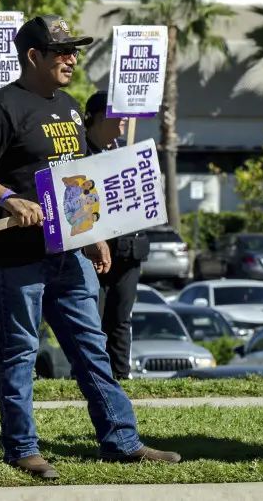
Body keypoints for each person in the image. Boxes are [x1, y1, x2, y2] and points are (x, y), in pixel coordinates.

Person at [0, 15, 179, 480]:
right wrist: (8, 198)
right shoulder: (2, 107)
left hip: (69, 253)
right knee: (19, 350)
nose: (71, 58)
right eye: (61, 51)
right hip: (17, 257)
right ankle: (23, 449)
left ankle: (121, 441)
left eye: (73, 51)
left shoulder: (73, 107)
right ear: (33, 56)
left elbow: (78, 182)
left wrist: (94, 236)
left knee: (91, 347)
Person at [83, 91, 151, 381]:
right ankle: (90, 375)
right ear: (99, 118)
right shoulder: (79, 152)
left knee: (121, 318)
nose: (124, 122)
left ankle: (120, 376)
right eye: (119, 116)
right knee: (90, 318)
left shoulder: (127, 151)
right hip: (92, 251)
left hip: (127, 249)